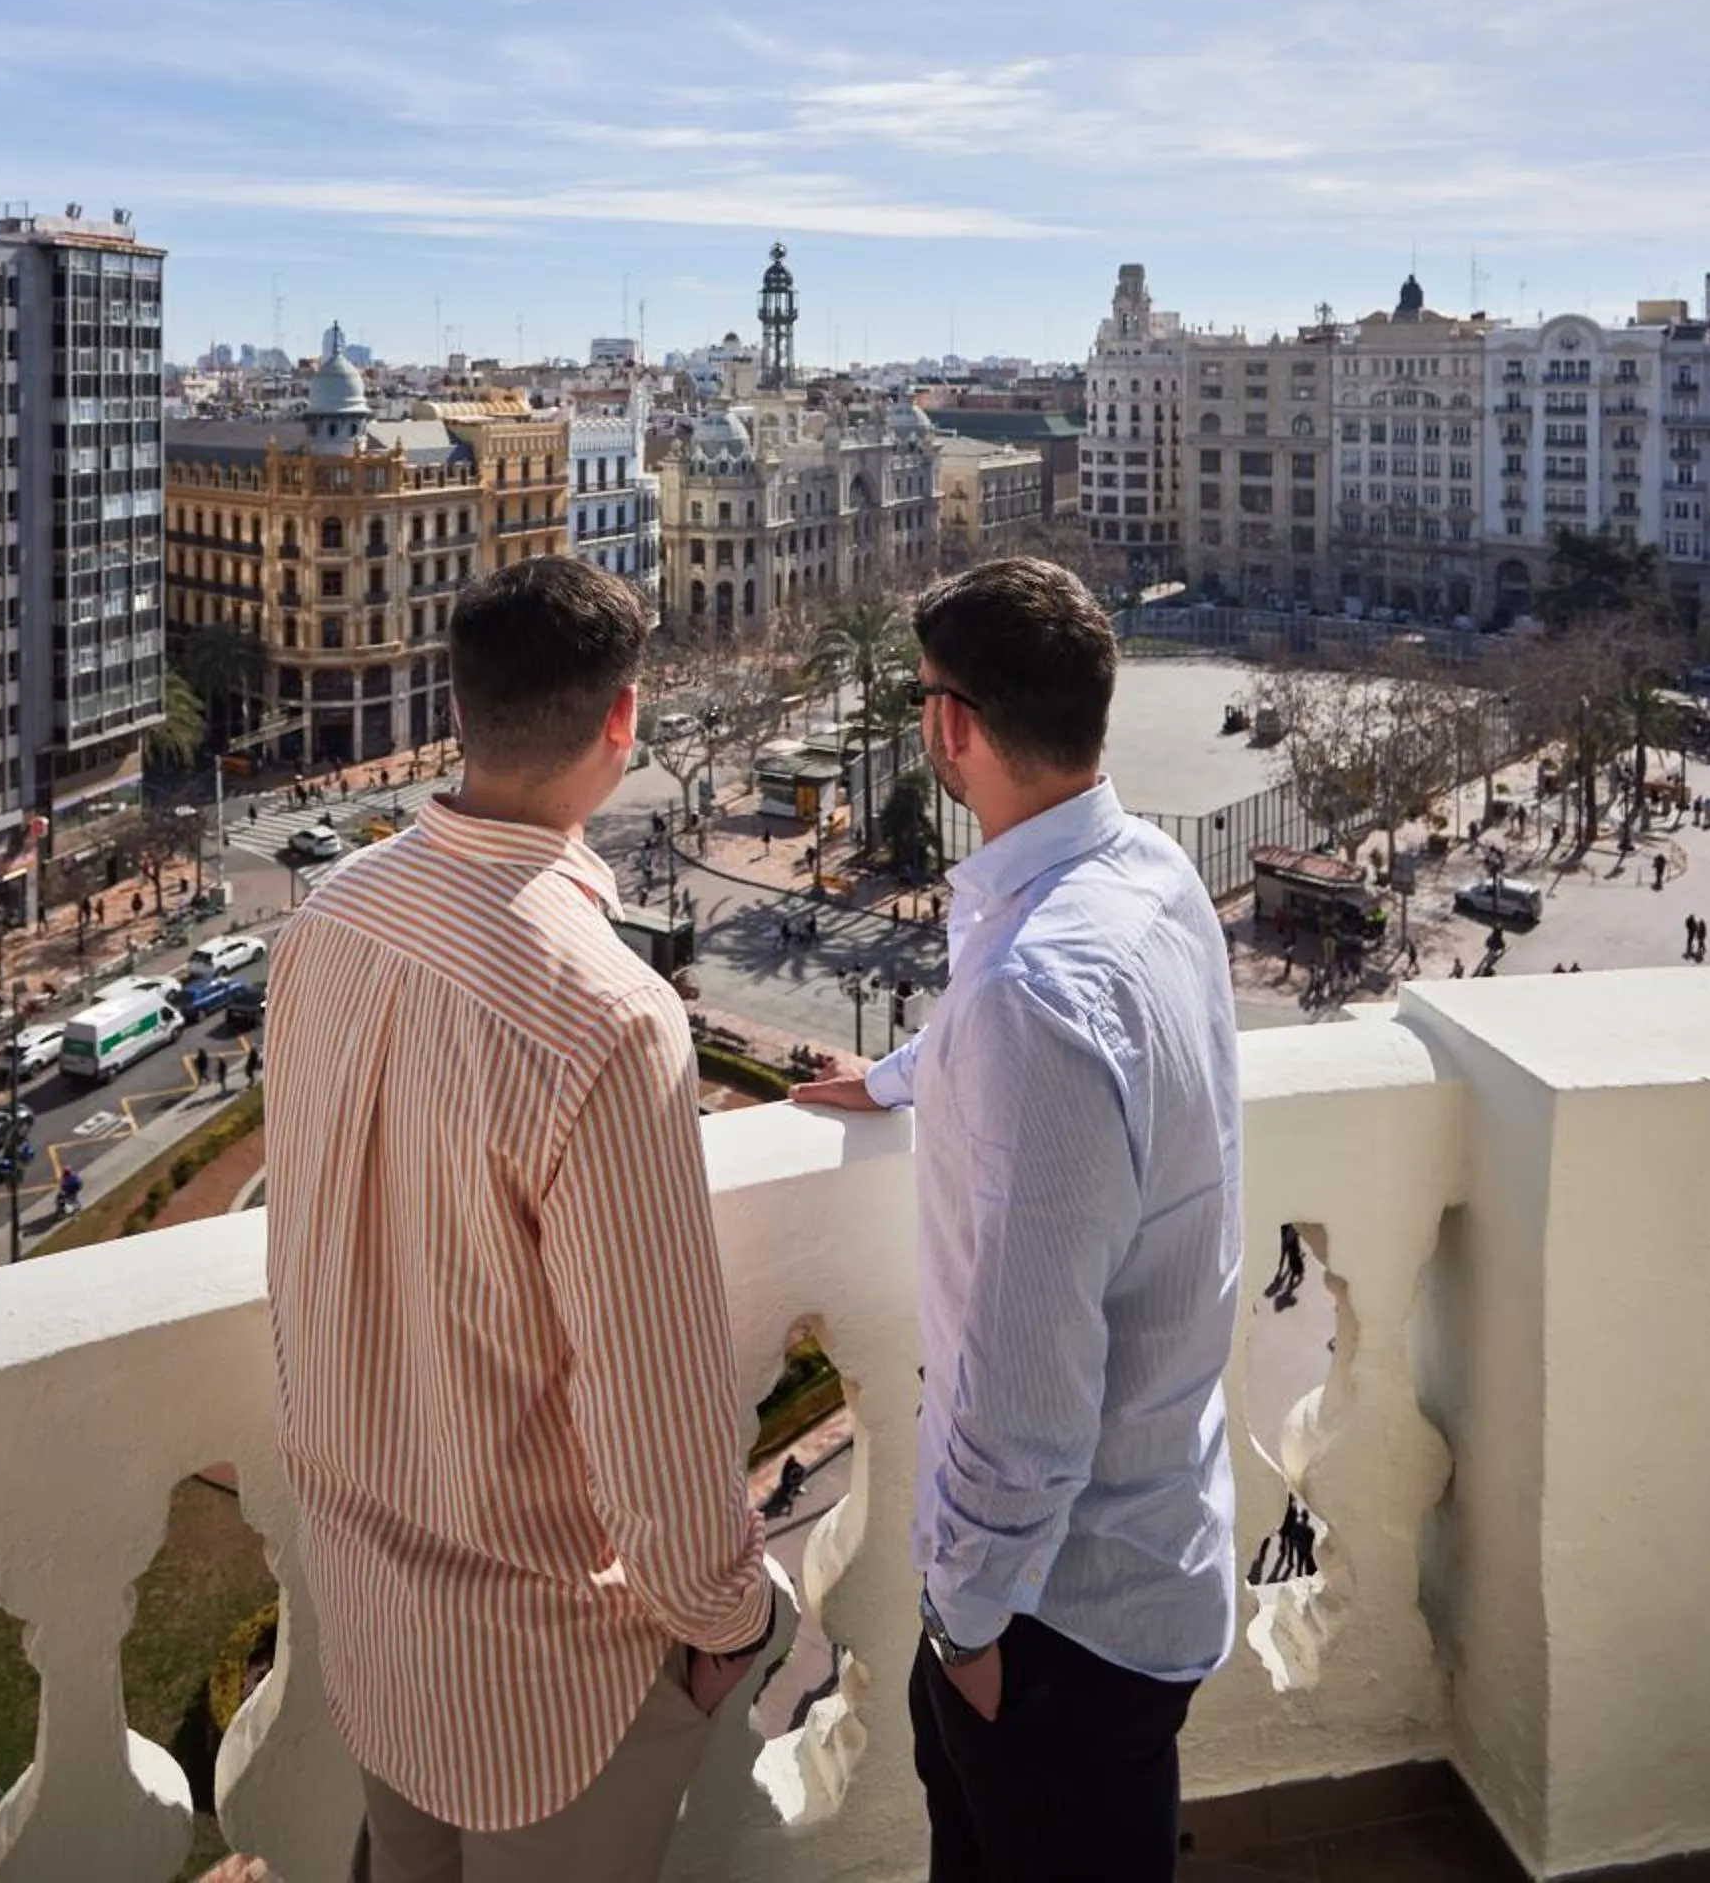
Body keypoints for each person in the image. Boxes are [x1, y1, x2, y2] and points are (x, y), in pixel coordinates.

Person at [266, 557, 774, 1883]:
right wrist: (723, 1617)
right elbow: (652, 1387)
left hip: (372, 1614)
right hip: (552, 1674)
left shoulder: (326, 923)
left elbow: (299, 1251)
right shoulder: (607, 1014)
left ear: (460, 705)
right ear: (623, 720)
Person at [795, 557, 1240, 1883]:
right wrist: (908, 1071)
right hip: (1145, 1554)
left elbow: (1029, 1375)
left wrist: (969, 1618)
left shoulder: (1033, 1001)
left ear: (950, 726)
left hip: (1055, 1616)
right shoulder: (1148, 874)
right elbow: (1053, 1048)